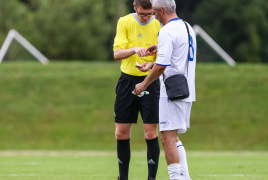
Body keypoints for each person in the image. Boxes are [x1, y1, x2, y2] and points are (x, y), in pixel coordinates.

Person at [134, 0, 197, 179]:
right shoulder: (187, 27)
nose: (153, 17)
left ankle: (176, 178)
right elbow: (177, 58)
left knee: (167, 138)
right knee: (173, 136)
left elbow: (162, 66)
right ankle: (184, 177)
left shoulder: (167, 31)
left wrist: (143, 84)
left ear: (161, 11)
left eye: (154, 13)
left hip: (171, 92)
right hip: (186, 89)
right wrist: (154, 60)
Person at [113, 0, 162, 180]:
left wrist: (151, 65)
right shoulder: (124, 22)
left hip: (150, 80)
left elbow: (163, 56)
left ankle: (151, 178)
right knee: (121, 132)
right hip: (127, 81)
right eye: (143, 14)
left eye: (150, 13)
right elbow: (117, 54)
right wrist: (134, 49)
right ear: (135, 7)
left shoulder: (158, 23)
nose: (147, 17)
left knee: (150, 132)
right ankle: (123, 178)